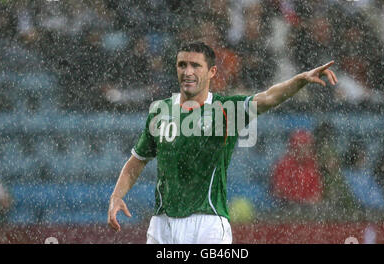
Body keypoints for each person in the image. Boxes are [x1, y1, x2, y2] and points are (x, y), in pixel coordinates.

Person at [107, 41, 337, 244]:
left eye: (196, 66)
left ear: (212, 72)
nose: (188, 72)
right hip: (161, 223)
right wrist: (116, 196)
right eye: (182, 65)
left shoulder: (227, 109)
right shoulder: (160, 111)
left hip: (207, 222)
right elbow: (137, 161)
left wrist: (299, 81)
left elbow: (268, 97)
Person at [270, 129, 323, 205]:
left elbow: (316, 194)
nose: (307, 150)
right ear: (294, 148)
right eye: (303, 146)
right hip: (287, 207)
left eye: (308, 147)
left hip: (307, 208)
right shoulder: (283, 166)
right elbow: (279, 193)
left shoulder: (312, 165)